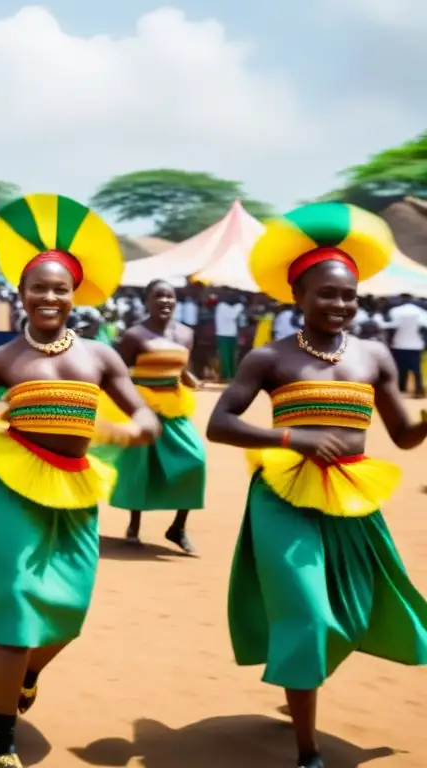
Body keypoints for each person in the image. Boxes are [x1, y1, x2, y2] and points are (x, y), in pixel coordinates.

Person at [0, 195, 160, 768]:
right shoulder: (2, 358)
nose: (49, 297)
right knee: (16, 596)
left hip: (75, 486)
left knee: (71, 610)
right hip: (11, 483)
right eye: (38, 287)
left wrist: (124, 430)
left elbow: (146, 418)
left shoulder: (101, 357)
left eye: (60, 288)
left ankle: (29, 671)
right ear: (22, 294)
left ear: (75, 295)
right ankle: (0, 737)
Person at [207, 202, 427, 768]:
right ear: (297, 297)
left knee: (354, 613)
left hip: (354, 496)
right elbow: (220, 423)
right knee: (306, 614)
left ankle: (301, 686)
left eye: (349, 295)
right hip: (282, 500)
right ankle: (308, 750)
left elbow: (403, 436)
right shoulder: (269, 359)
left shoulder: (374, 357)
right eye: (326, 294)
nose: (340, 305)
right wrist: (291, 440)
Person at [95, 278, 205, 553]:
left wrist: (189, 377)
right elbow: (117, 371)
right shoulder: (135, 336)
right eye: (158, 296)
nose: (165, 301)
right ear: (146, 301)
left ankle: (177, 528)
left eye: (170, 297)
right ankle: (133, 527)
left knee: (195, 460)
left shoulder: (186, 333)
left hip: (175, 408)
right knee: (140, 466)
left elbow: (182, 366)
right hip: (142, 408)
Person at [380, 293, 427, 398]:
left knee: (400, 369)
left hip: (399, 344)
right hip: (415, 345)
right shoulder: (420, 312)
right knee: (417, 370)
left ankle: (401, 388)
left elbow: (391, 326)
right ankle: (418, 390)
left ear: (401, 299)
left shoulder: (396, 311)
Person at [214, 292, 244, 380]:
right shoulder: (221, 306)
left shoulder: (230, 307)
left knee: (232, 356)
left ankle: (233, 374)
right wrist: (240, 306)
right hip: (223, 335)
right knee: (225, 357)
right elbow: (233, 315)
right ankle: (225, 375)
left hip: (232, 334)